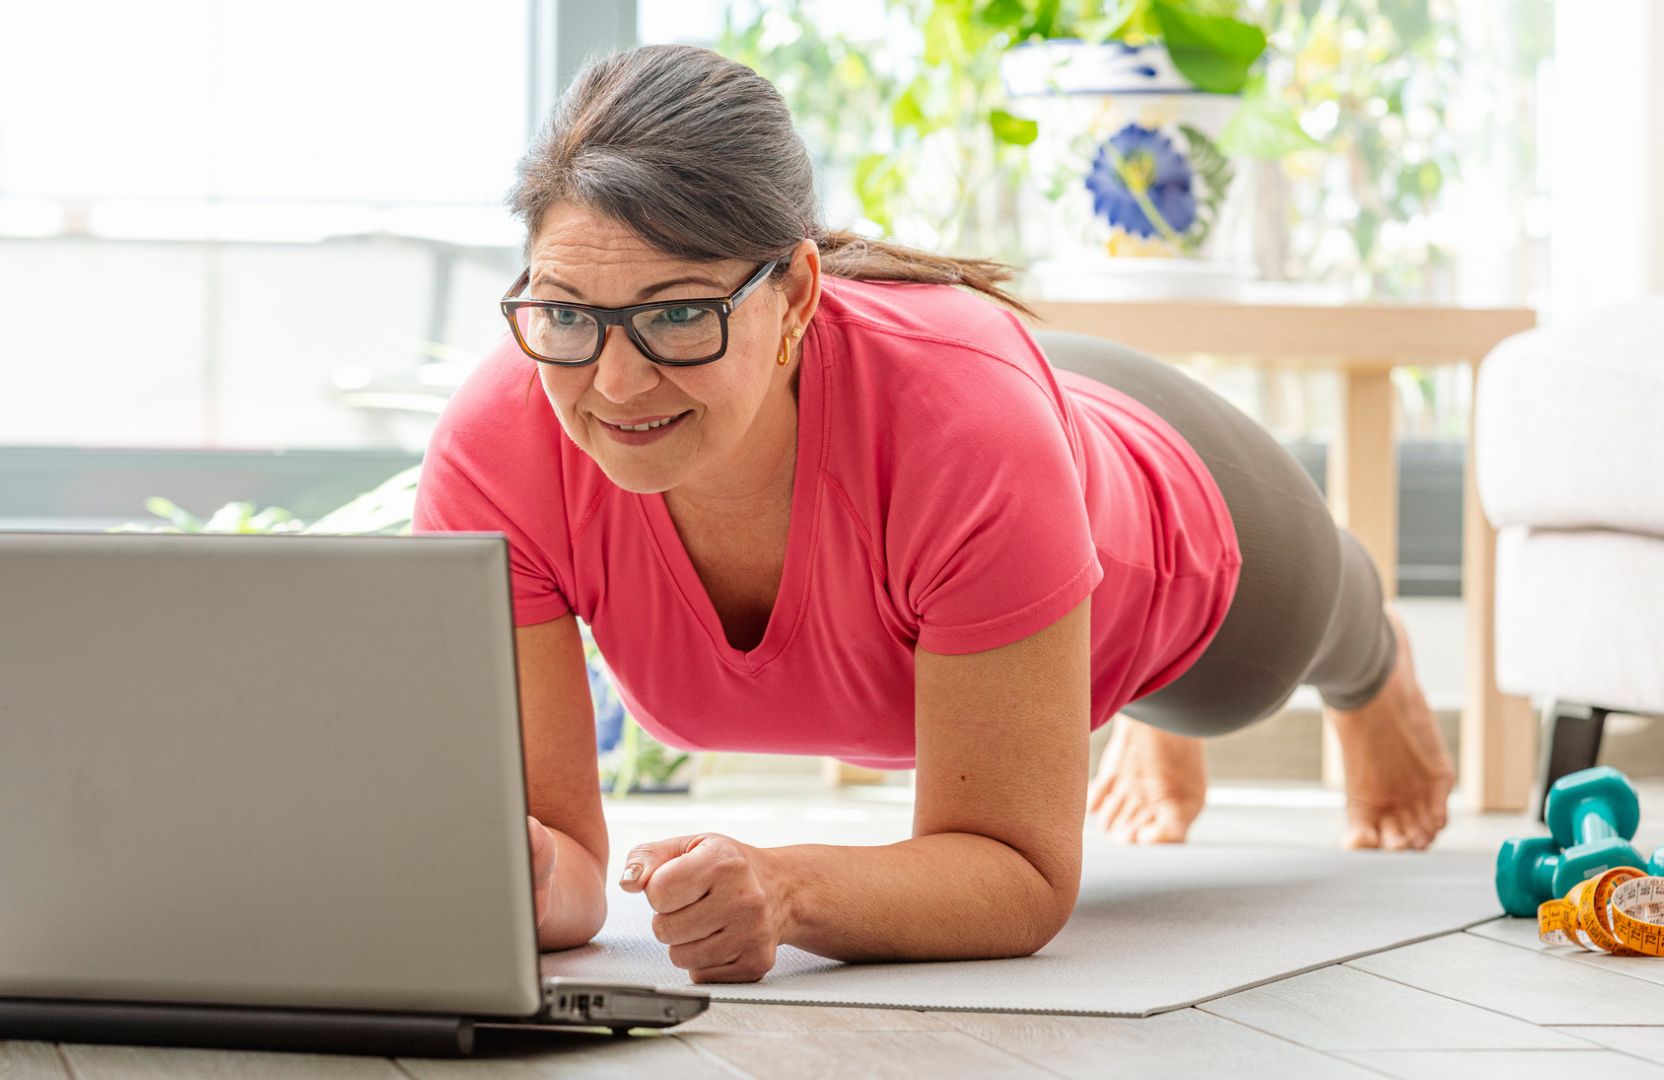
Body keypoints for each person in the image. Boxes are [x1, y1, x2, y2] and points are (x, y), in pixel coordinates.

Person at [413, 44, 1455, 984]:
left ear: (798, 295)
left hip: (1158, 501)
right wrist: (490, 868)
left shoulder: (969, 433)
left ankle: (1372, 663)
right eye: (565, 312)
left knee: (1261, 665)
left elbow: (1021, 872)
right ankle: (1111, 715)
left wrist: (789, 889)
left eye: (680, 311)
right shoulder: (502, 440)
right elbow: (558, 859)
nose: (618, 382)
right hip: (956, 412)